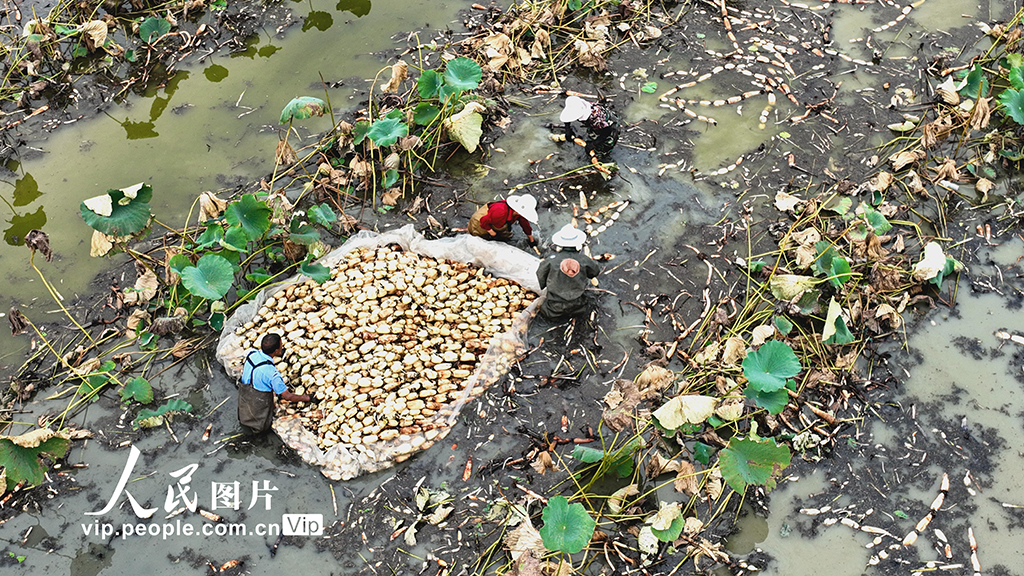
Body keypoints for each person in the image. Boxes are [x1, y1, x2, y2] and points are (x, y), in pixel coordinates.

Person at [237, 332, 311, 433]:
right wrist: (307, 397)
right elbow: (287, 396)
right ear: (276, 351)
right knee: (261, 422)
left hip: (245, 395)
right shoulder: (272, 374)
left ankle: (245, 421)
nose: (282, 346)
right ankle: (258, 431)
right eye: (281, 345)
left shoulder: (252, 354)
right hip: (259, 402)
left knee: (247, 411)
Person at [536, 224, 601, 320]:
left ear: (560, 243)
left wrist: (545, 284)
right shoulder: (584, 260)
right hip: (578, 305)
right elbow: (595, 271)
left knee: (546, 312)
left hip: (554, 306)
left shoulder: (551, 260)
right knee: (583, 308)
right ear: (577, 243)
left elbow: (540, 274)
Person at [560, 95, 619, 159]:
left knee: (605, 146)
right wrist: (568, 129)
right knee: (592, 133)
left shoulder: (596, 120)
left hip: (609, 127)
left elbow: (606, 133)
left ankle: (602, 154)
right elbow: (568, 115)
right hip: (597, 125)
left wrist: (593, 144)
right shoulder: (581, 105)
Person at [468, 194, 538, 244]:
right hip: (479, 223)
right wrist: (493, 234)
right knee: (483, 241)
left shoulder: (519, 214)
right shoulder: (500, 211)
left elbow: (524, 224)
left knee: (507, 237)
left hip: (495, 222)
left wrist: (531, 239)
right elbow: (483, 221)